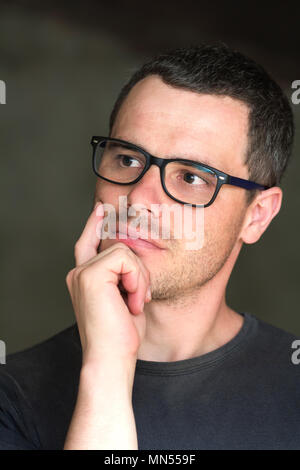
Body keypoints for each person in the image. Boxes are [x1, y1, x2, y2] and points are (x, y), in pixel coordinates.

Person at [0, 43, 299, 450]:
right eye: (126, 159)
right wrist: (107, 368)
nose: (138, 199)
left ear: (257, 215)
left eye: (191, 177)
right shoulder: (12, 394)